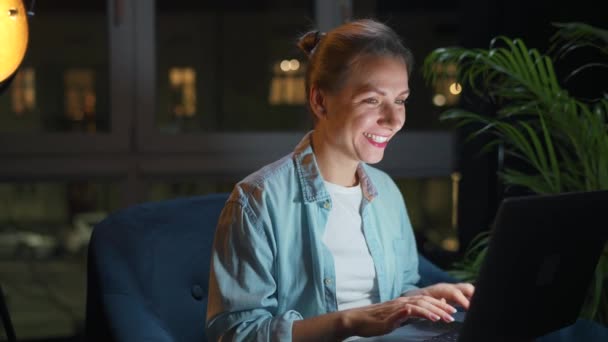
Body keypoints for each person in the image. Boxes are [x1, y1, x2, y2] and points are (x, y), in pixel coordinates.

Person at [206, 18, 474, 341]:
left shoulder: (386, 192)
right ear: (320, 101)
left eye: (400, 100)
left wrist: (424, 296)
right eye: (372, 100)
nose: (393, 120)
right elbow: (237, 334)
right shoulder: (257, 201)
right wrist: (349, 322)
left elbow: (390, 295)